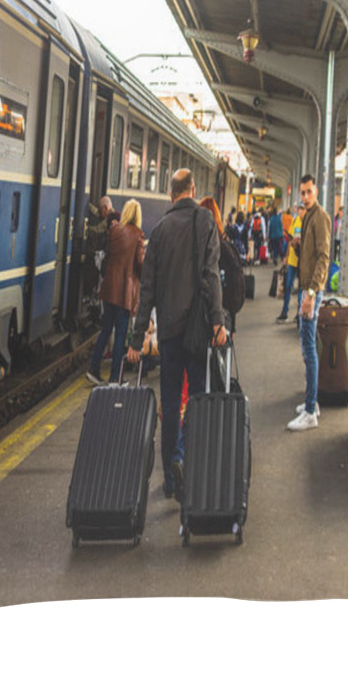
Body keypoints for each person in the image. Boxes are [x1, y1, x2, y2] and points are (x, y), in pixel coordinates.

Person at [127, 170, 227, 500]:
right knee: (197, 401)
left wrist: (136, 338)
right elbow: (211, 276)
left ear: (171, 195)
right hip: (197, 332)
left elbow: (148, 291)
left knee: (169, 405)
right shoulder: (205, 222)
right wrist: (218, 322)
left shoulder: (159, 231)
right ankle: (185, 460)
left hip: (169, 333)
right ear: (193, 191)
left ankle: (171, 479)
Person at [287, 175, 331, 432]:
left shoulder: (320, 217)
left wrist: (312, 293)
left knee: (308, 349)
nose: (305, 197)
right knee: (308, 346)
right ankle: (310, 402)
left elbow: (324, 257)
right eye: (302, 193)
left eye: (308, 192)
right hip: (307, 288)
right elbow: (314, 252)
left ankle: (311, 411)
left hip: (312, 290)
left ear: (316, 191)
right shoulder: (308, 217)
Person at [86, 199, 145, 386]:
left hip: (109, 288)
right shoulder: (138, 235)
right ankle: (115, 378)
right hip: (124, 292)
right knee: (120, 333)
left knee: (105, 330)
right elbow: (141, 265)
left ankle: (93, 370)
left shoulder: (114, 231)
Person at [200, 195, 243, 337]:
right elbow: (234, 285)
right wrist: (233, 326)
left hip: (202, 316)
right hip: (224, 316)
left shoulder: (198, 247)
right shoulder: (226, 247)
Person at [276, 204, 305, 323]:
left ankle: (299, 314)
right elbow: (289, 240)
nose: (300, 211)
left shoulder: (308, 222)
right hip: (292, 260)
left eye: (302, 209)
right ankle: (284, 312)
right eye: (299, 209)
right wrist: (286, 256)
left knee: (301, 289)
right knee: (288, 286)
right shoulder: (295, 220)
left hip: (302, 260)